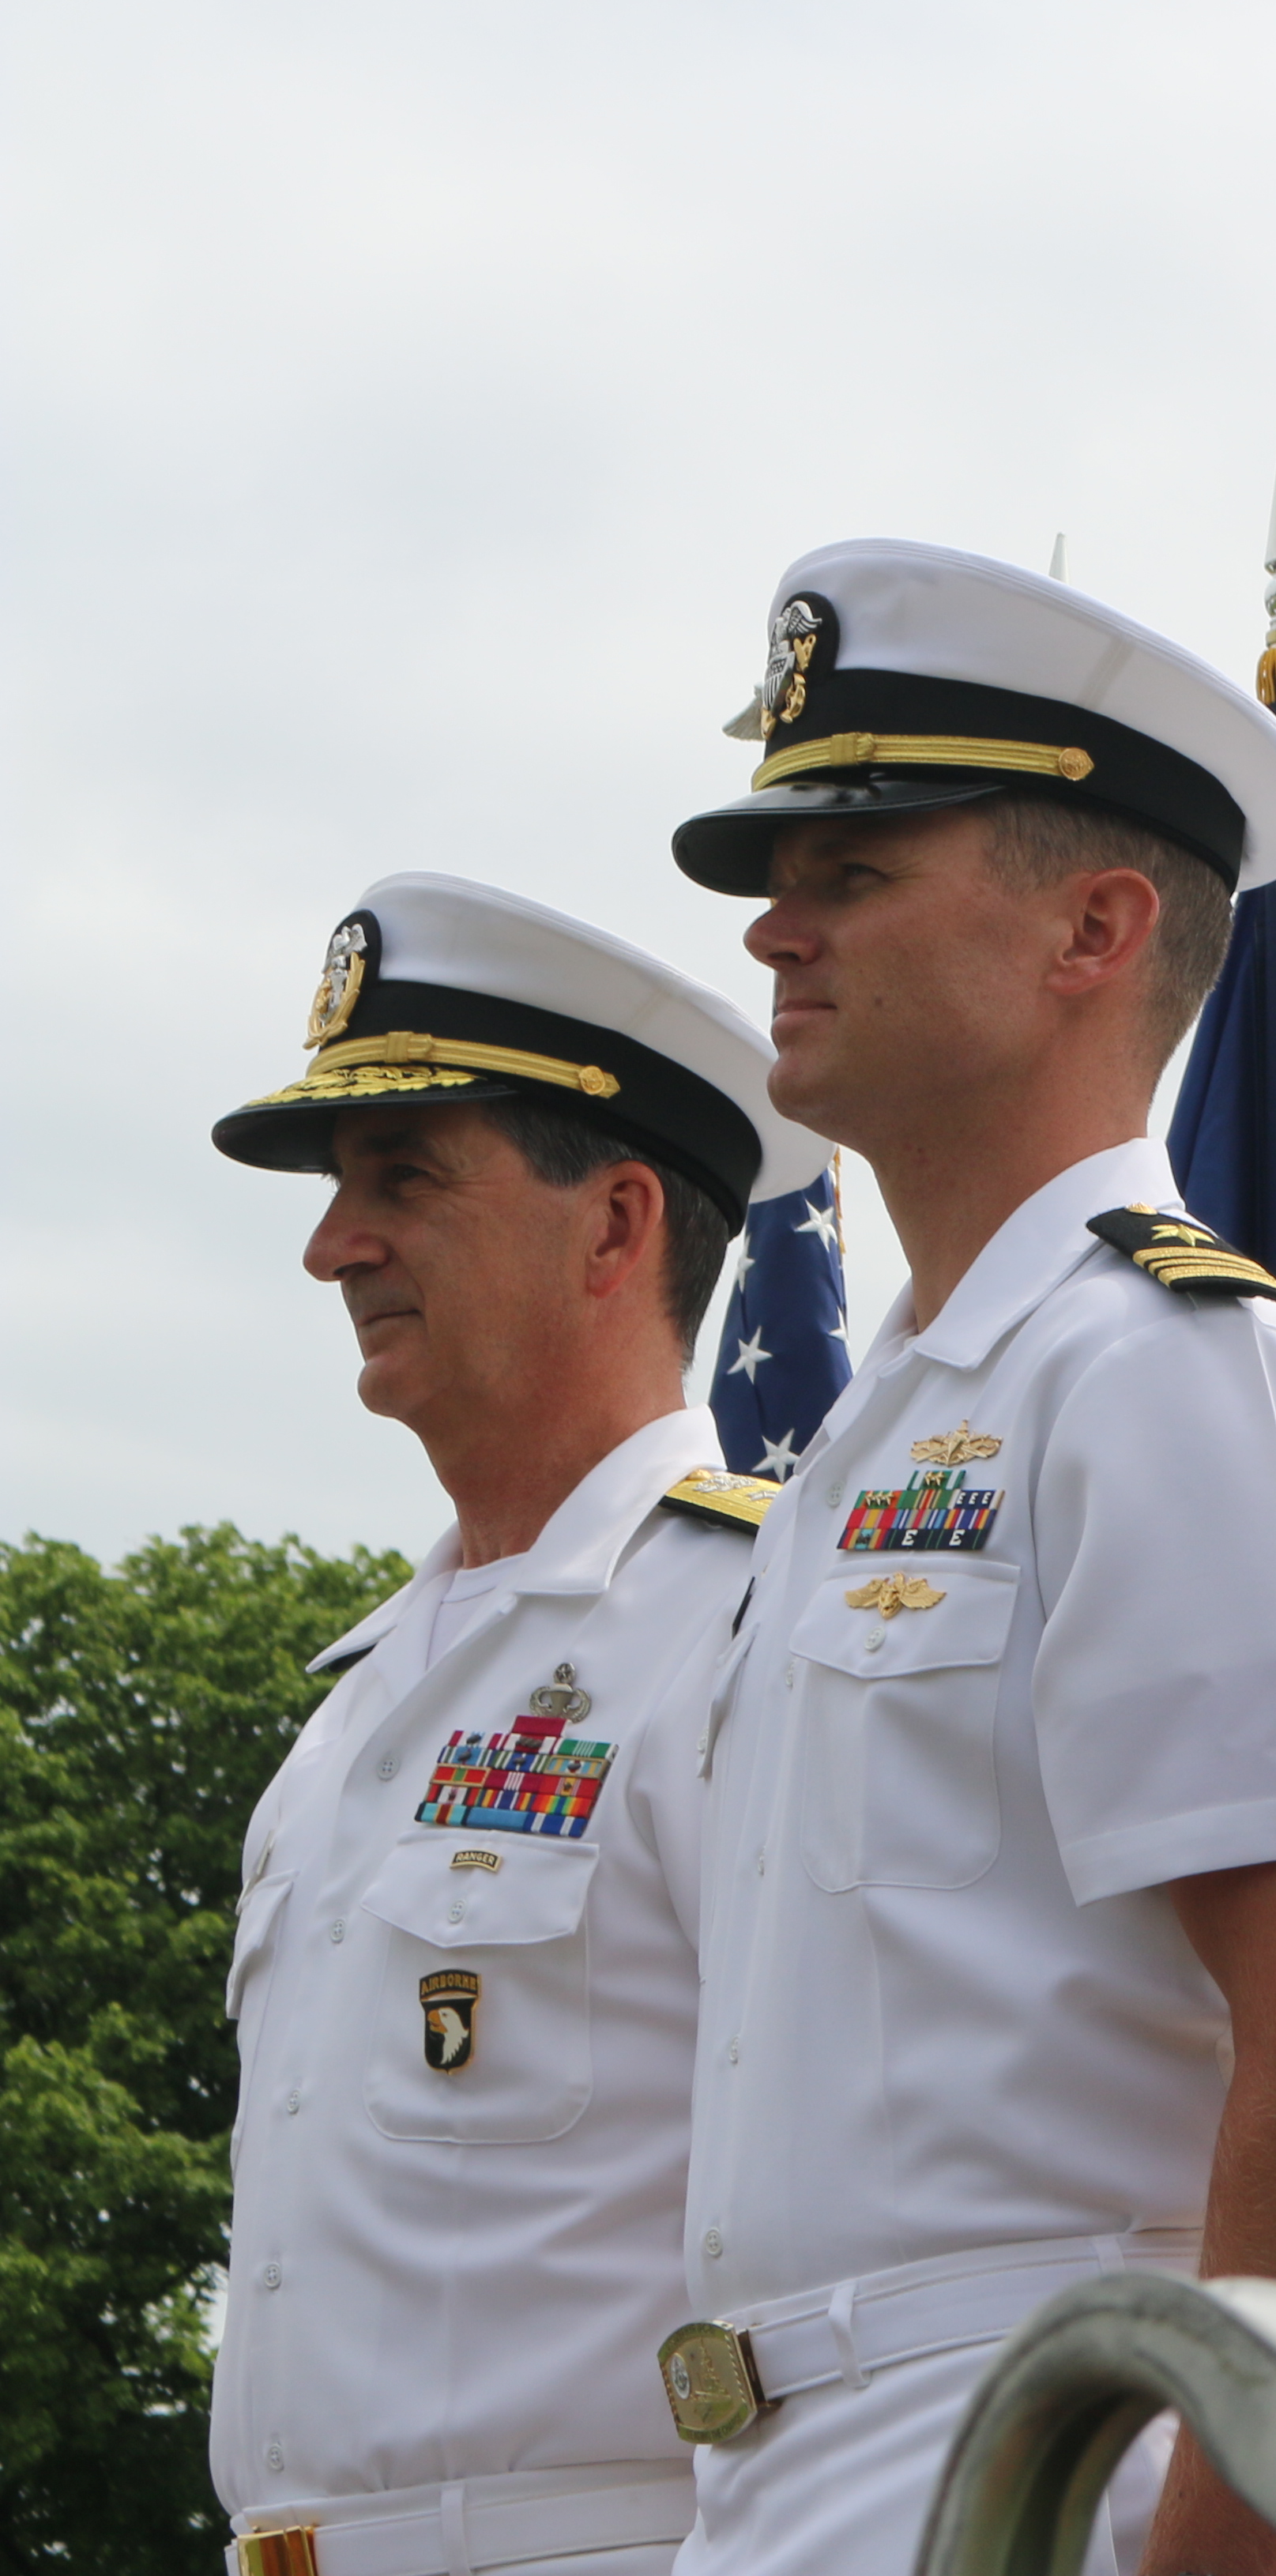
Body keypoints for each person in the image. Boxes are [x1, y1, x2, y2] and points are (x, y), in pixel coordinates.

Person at [658, 544, 1276, 2576]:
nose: (772, 923)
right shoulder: (869, 1438)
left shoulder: (1165, 1374)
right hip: (792, 2488)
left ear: (1096, 929)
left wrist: (1216, 2560)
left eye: (855, 869)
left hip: (1045, 2459)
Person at [209, 872, 826, 2576]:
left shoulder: (753, 1630)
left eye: (401, 1180)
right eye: (341, 1192)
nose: (335, 1243)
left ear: (617, 1227)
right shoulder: (356, 1713)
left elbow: (843, 2229)